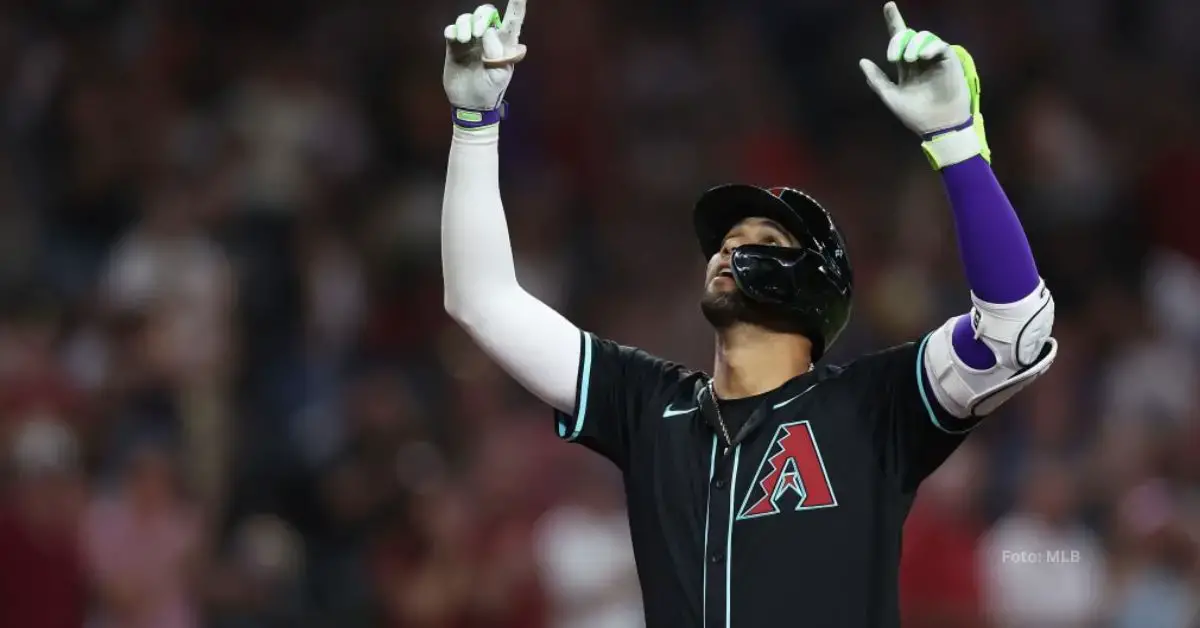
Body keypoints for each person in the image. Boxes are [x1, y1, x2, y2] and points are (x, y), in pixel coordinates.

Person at [439, 2, 1058, 626]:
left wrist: (956, 143)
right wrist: (473, 121)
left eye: (762, 236)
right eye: (725, 239)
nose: (730, 246)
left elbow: (1015, 330)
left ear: (818, 284)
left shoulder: (873, 406)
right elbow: (482, 300)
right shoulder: (651, 406)